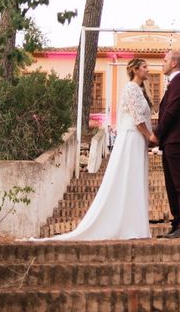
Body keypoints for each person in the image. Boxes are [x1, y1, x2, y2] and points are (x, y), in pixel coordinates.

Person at [29, 58, 153, 241]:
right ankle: (126, 223)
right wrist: (149, 135)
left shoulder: (140, 90)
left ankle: (133, 223)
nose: (148, 70)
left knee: (134, 178)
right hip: (132, 138)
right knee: (128, 176)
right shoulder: (131, 88)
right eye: (145, 67)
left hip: (137, 139)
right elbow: (136, 117)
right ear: (135, 70)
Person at [150, 51, 180, 239]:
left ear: (175, 63)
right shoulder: (174, 83)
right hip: (171, 141)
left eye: (165, 60)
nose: (163, 63)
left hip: (177, 140)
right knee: (171, 184)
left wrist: (156, 134)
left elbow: (171, 111)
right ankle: (177, 223)